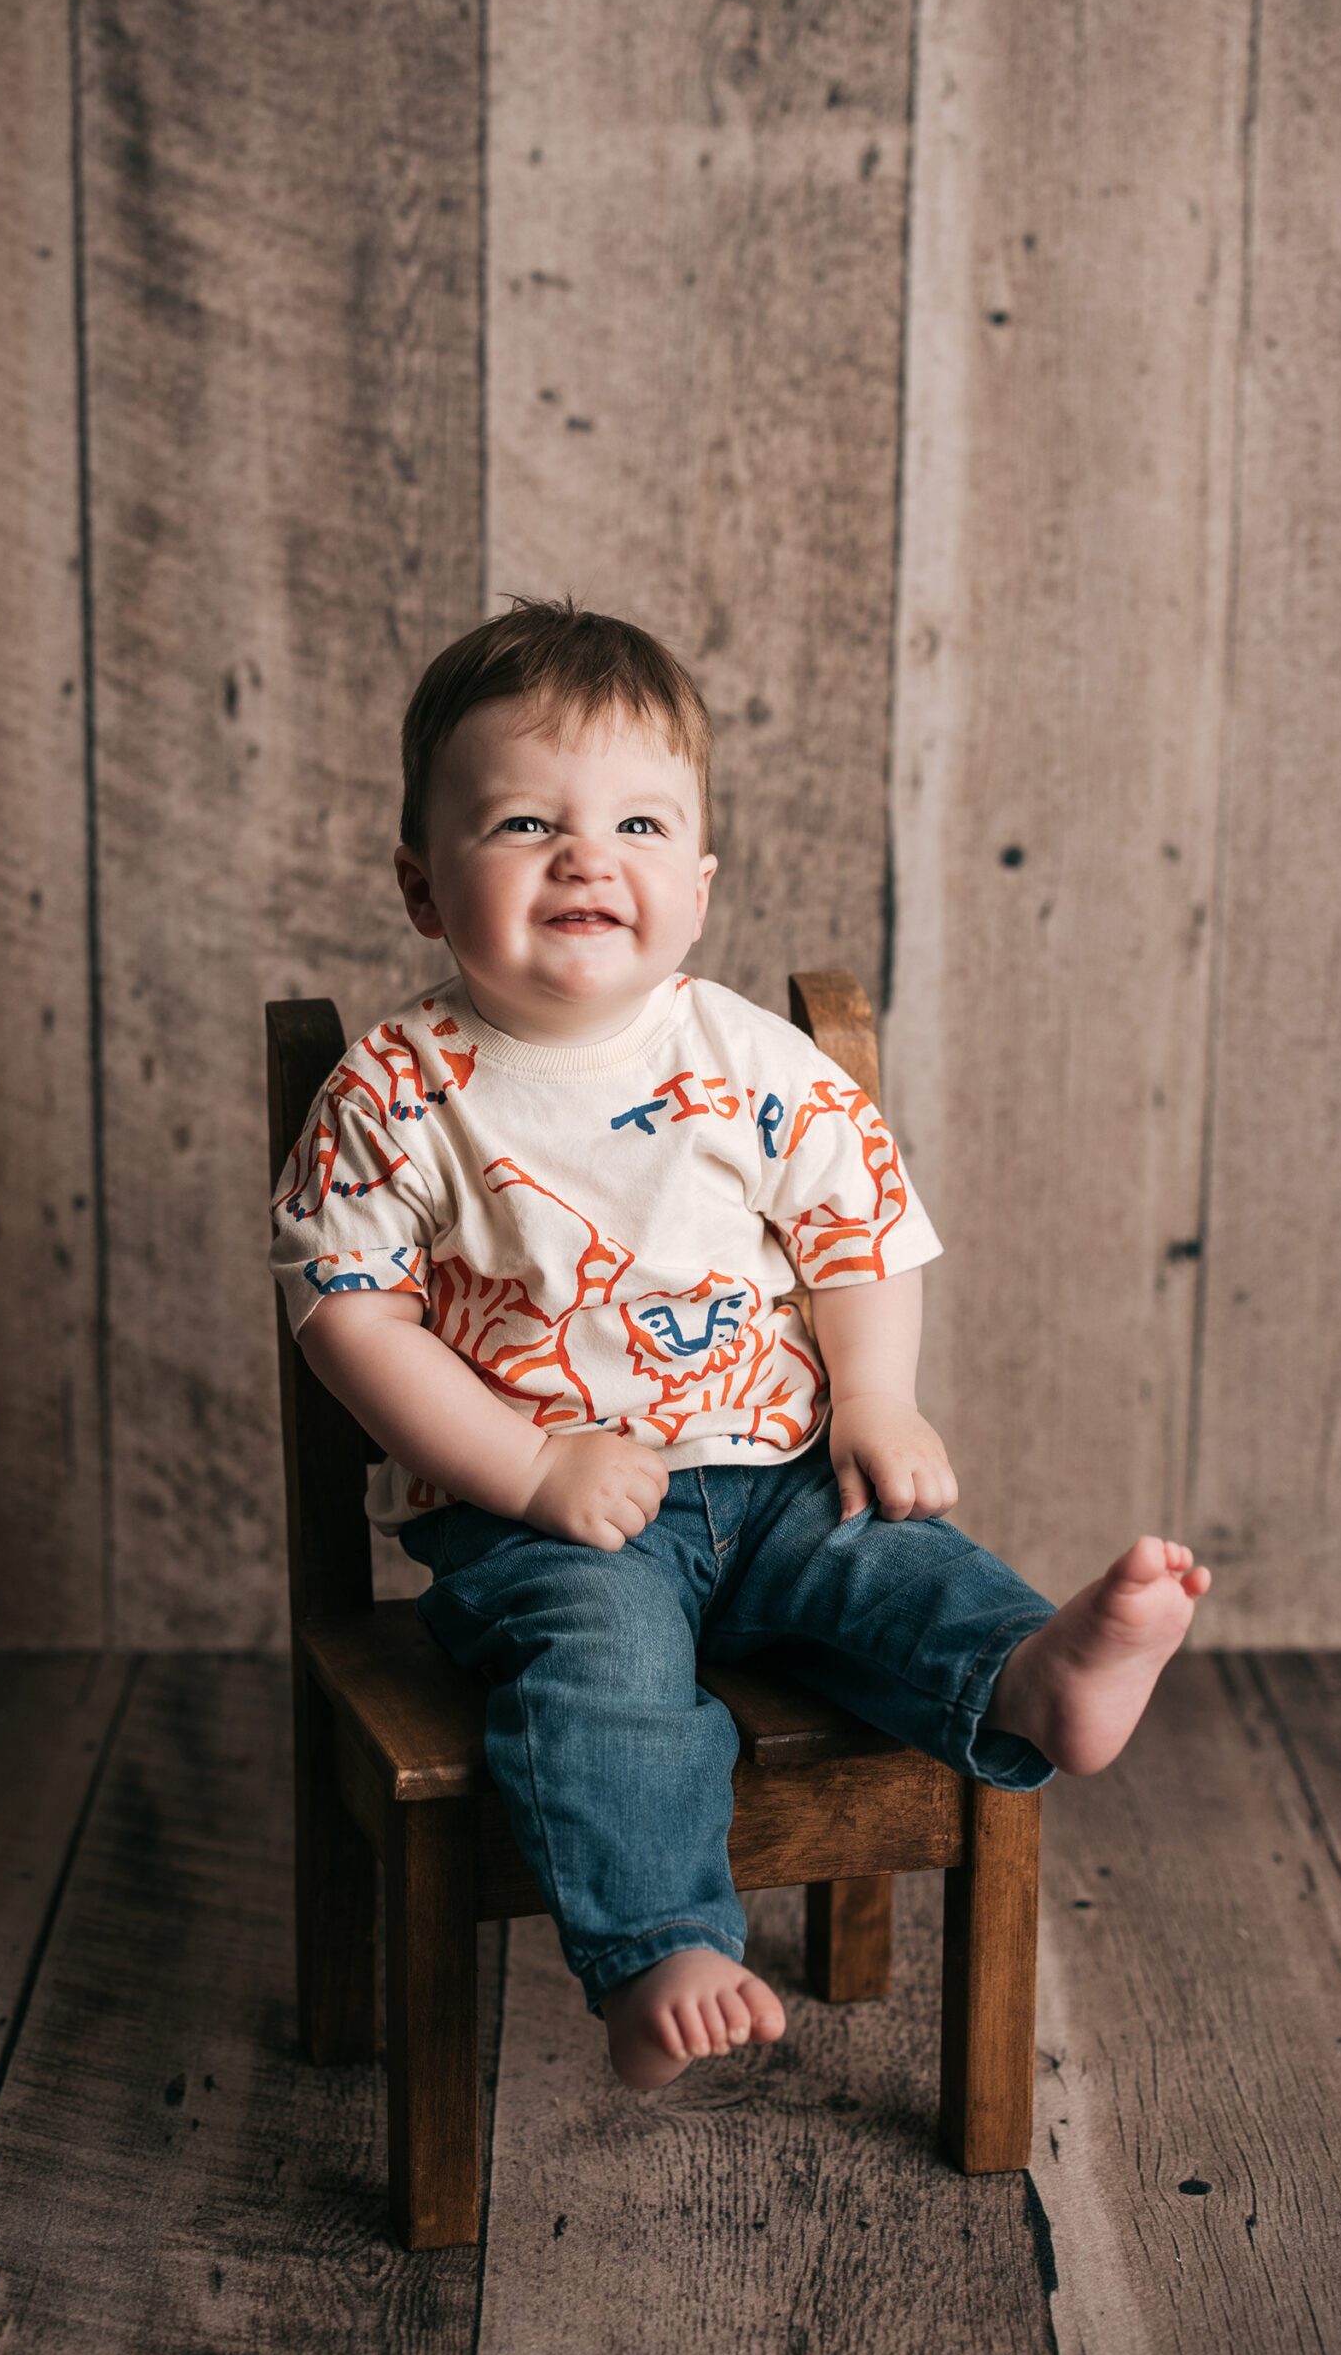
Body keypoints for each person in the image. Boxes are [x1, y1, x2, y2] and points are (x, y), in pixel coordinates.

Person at [268, 597, 1211, 2091]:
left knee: (897, 1563)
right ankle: (662, 1948)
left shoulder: (748, 1064)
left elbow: (862, 1236)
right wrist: (527, 1467)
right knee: (606, 1680)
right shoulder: (398, 1091)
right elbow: (350, 1316)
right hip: (545, 1526)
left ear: (695, 889)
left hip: (771, 1477)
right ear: (422, 886)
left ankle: (1030, 1677)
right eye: (524, 821)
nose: (588, 856)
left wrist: (878, 1397)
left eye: (639, 823)